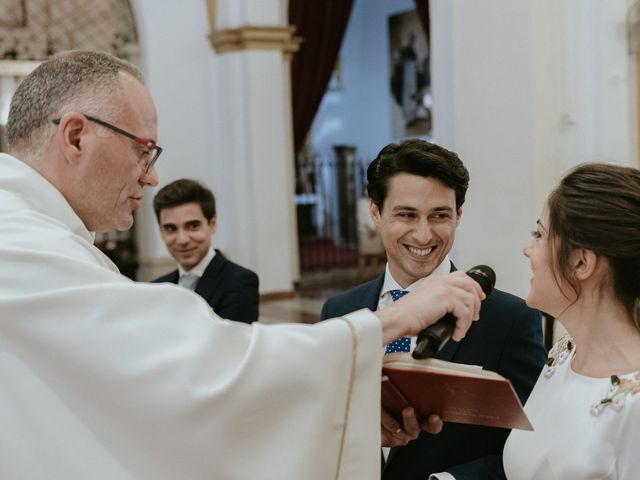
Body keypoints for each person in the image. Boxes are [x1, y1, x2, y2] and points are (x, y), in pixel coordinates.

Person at [0, 50, 486, 479]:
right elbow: (194, 362)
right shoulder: (18, 242)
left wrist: (344, 400)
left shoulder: (37, 234)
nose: (151, 177)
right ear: (77, 137)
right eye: (143, 150)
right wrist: (396, 318)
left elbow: (129, 398)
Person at [321, 139, 547, 480]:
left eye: (439, 215)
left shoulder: (509, 319)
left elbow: (533, 444)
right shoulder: (340, 311)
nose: (423, 235)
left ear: (458, 215)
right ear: (376, 213)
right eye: (407, 214)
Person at [503, 163, 640, 479]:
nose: (527, 249)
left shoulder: (634, 405)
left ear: (581, 262)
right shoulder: (561, 356)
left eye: (539, 234)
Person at [152, 179, 259, 324]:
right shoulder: (156, 287)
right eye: (170, 228)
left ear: (212, 224)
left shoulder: (240, 282)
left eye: (193, 226)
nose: (182, 239)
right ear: (161, 232)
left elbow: (231, 344)